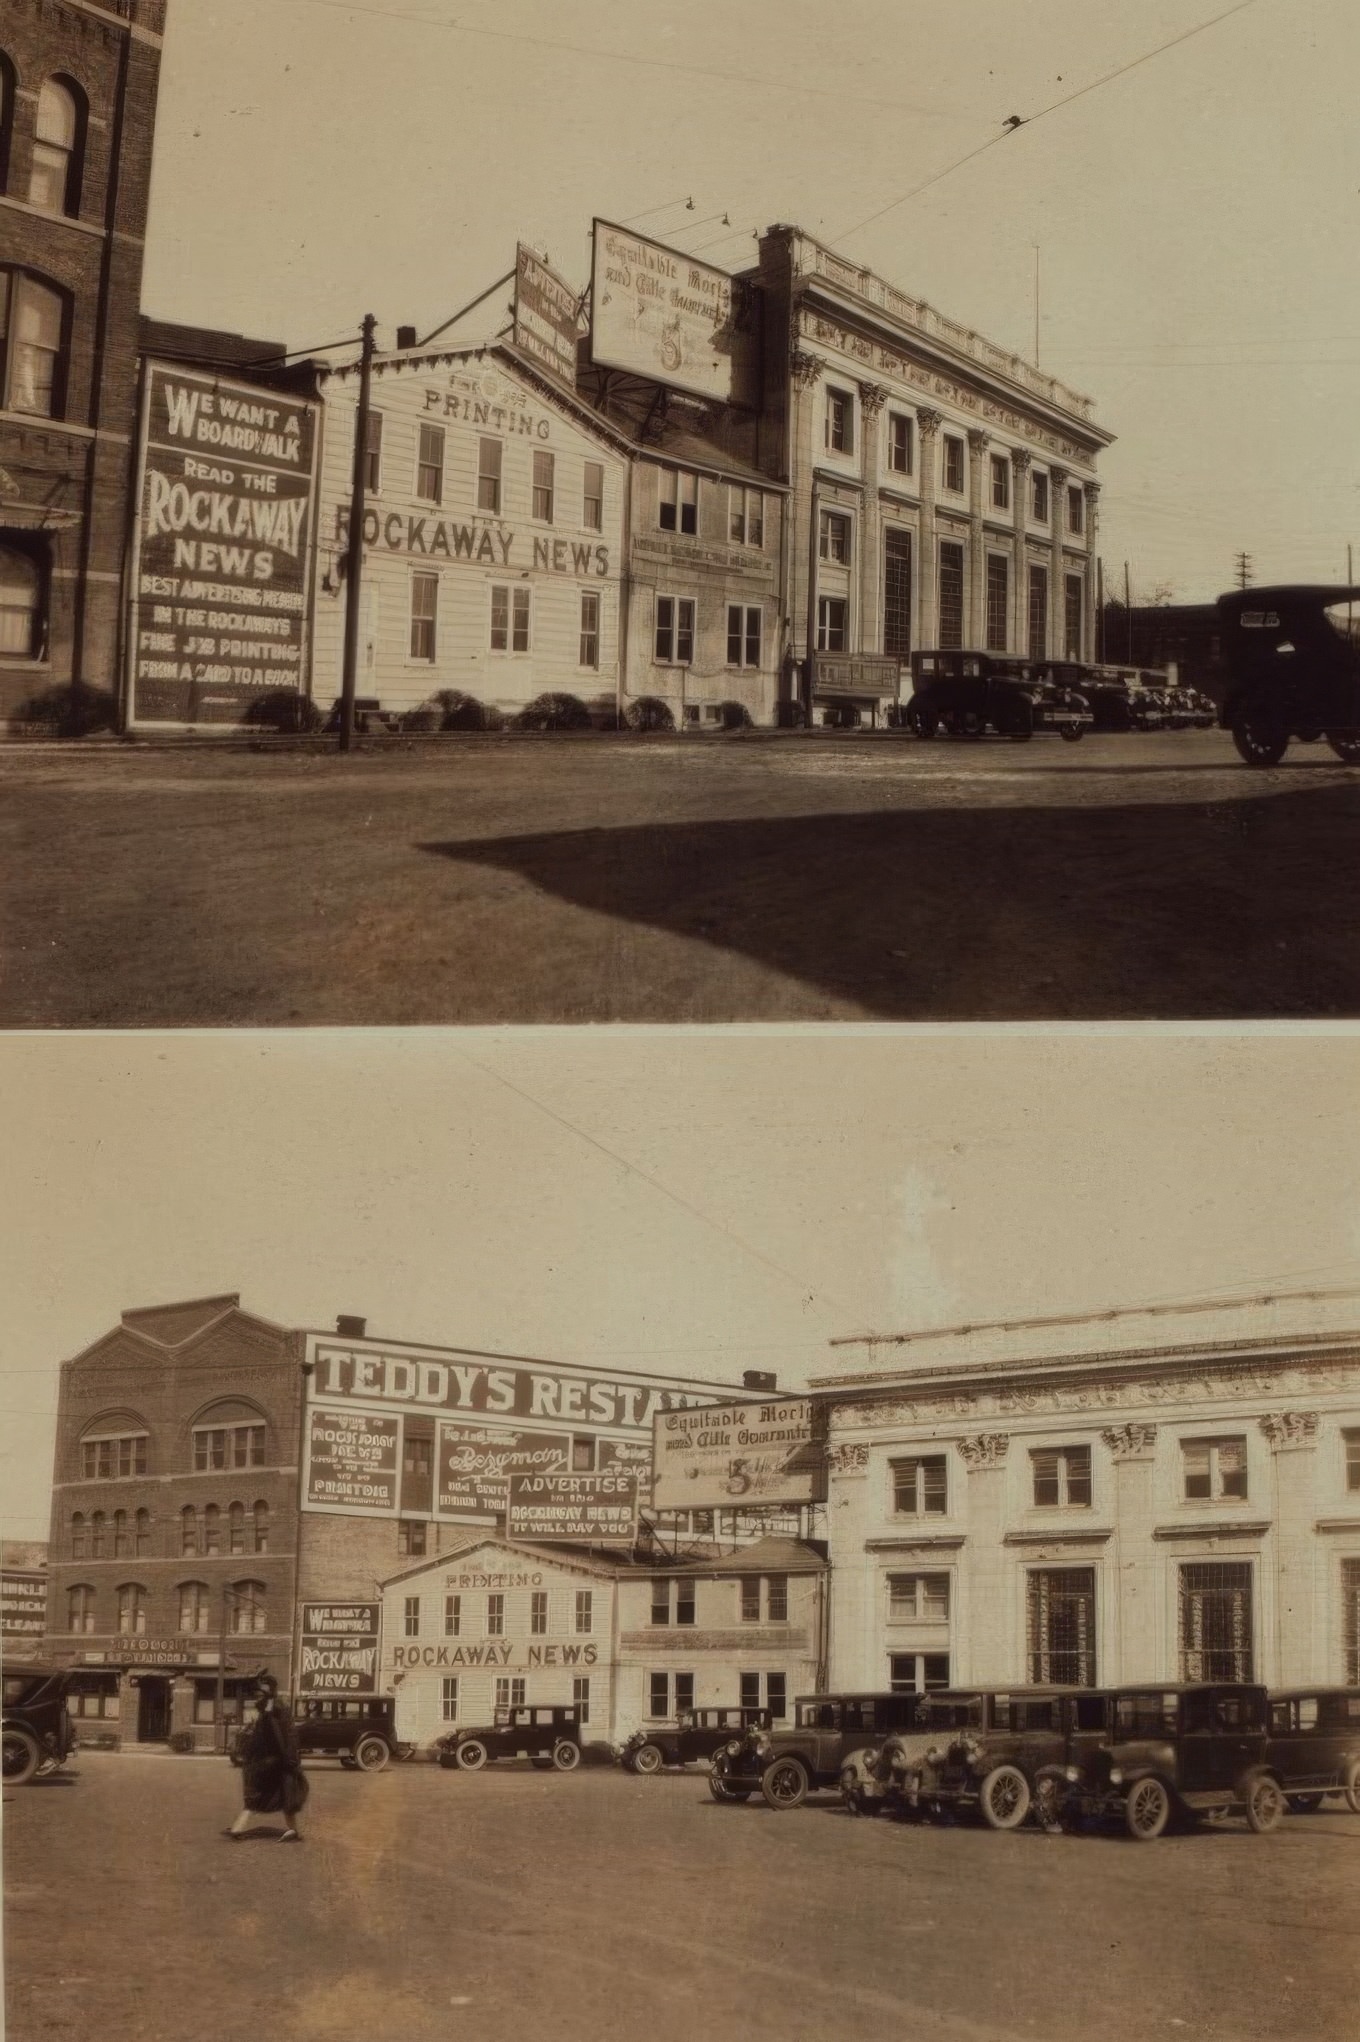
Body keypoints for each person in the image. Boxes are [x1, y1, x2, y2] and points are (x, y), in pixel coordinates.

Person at [225, 1673, 307, 1842]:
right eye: (257, 1693)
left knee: (276, 1794)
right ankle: (292, 1830)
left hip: (277, 1762)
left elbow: (288, 1735)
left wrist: (290, 1759)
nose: (257, 1696)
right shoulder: (265, 1710)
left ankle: (239, 1828)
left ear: (270, 1692)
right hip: (267, 1761)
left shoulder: (278, 1709)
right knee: (279, 1795)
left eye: (261, 1693)